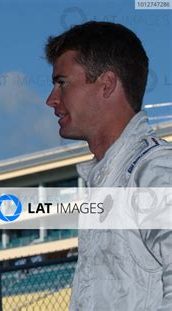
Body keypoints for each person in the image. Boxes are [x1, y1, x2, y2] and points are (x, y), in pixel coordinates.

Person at [45, 21, 172, 310]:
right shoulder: (113, 178)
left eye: (61, 83)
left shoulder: (153, 169)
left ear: (107, 84)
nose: (51, 100)